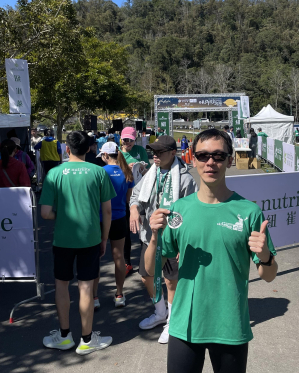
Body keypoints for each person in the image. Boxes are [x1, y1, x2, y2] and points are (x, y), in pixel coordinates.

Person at [144, 128, 277, 373]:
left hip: (229, 325)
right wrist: (153, 238)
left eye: (218, 156)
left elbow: (268, 276)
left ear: (229, 160)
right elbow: (151, 270)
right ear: (193, 159)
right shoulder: (178, 211)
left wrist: (266, 255)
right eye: (203, 155)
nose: (210, 162)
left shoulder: (248, 212)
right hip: (185, 326)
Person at [40, 131, 116, 355]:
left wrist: (62, 215)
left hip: (63, 239)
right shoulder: (98, 172)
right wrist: (104, 238)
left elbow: (45, 213)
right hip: (90, 238)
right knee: (86, 287)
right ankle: (86, 339)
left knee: (62, 285)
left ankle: (64, 336)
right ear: (90, 148)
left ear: (67, 148)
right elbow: (108, 211)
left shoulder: (54, 173)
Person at [129, 135, 197, 343]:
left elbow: (191, 213)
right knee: (146, 276)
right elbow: (136, 196)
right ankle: (160, 313)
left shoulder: (185, 179)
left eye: (160, 152)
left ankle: (172, 322)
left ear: (173, 153)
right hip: (151, 236)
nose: (155, 156)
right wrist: (134, 209)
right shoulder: (151, 173)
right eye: (153, 152)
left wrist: (184, 244)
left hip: (174, 239)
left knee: (171, 281)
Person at [93, 142, 134, 308]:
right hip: (120, 218)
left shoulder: (100, 172)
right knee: (119, 257)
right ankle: (119, 294)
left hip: (100, 219)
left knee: (95, 258)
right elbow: (128, 199)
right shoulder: (127, 172)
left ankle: (94, 297)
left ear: (105, 155)